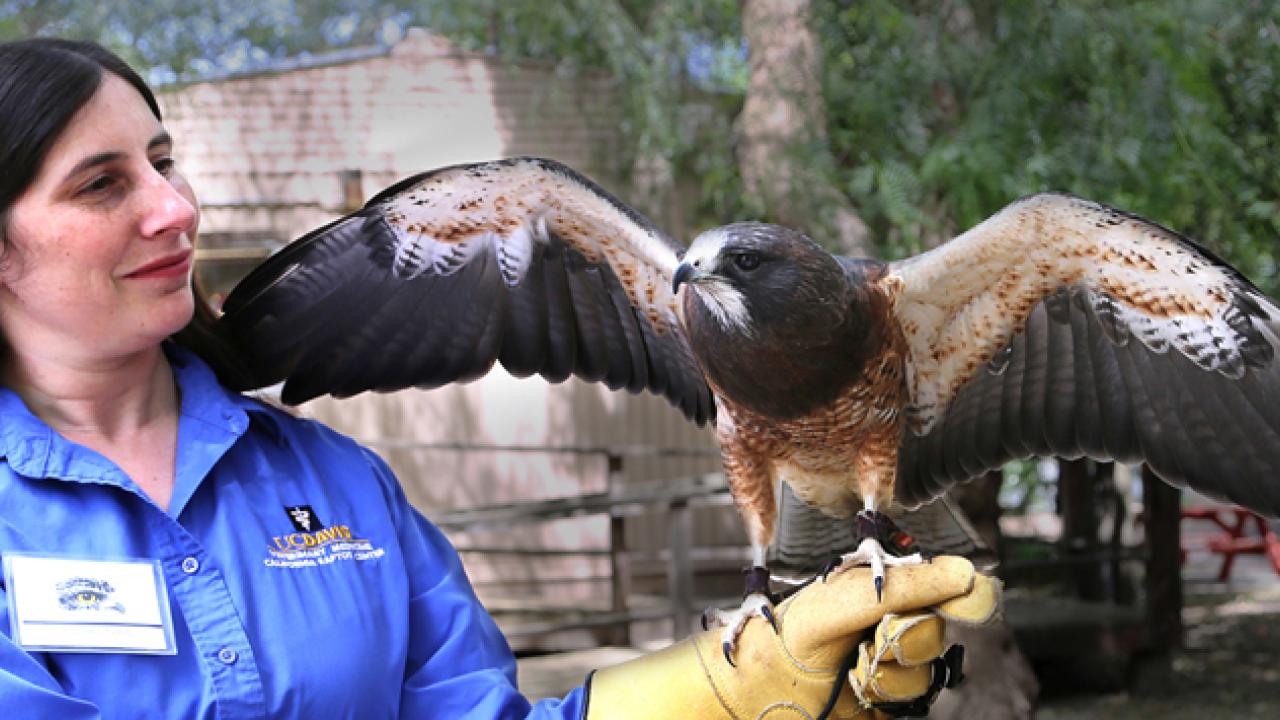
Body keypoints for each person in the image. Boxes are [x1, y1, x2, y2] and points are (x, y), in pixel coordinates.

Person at [0, 38, 998, 719]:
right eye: (102, 183)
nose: (174, 208)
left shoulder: (341, 489)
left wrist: (732, 693)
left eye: (166, 161)